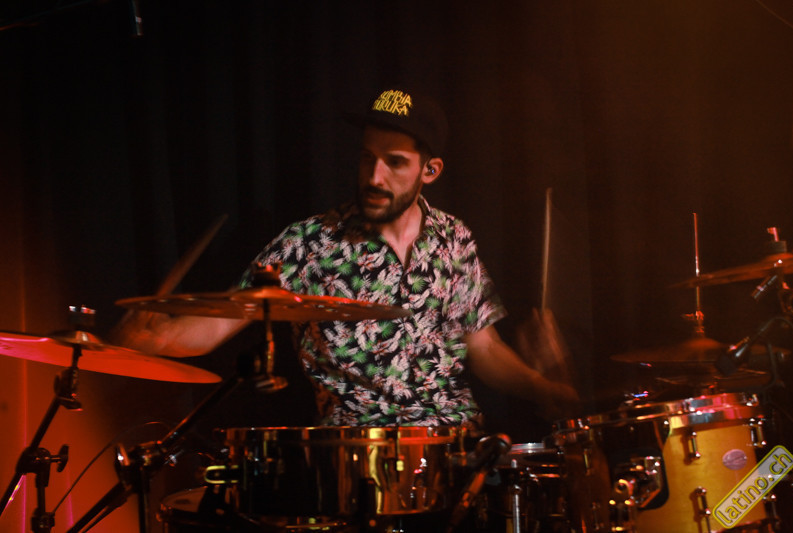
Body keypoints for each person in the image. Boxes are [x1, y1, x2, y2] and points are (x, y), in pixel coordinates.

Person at [114, 87, 579, 428]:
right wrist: (155, 339)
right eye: (366, 158)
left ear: (430, 170)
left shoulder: (454, 238)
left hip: (456, 448)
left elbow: (484, 348)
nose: (374, 177)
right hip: (356, 455)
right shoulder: (309, 242)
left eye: (394, 162)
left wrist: (542, 387)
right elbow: (220, 322)